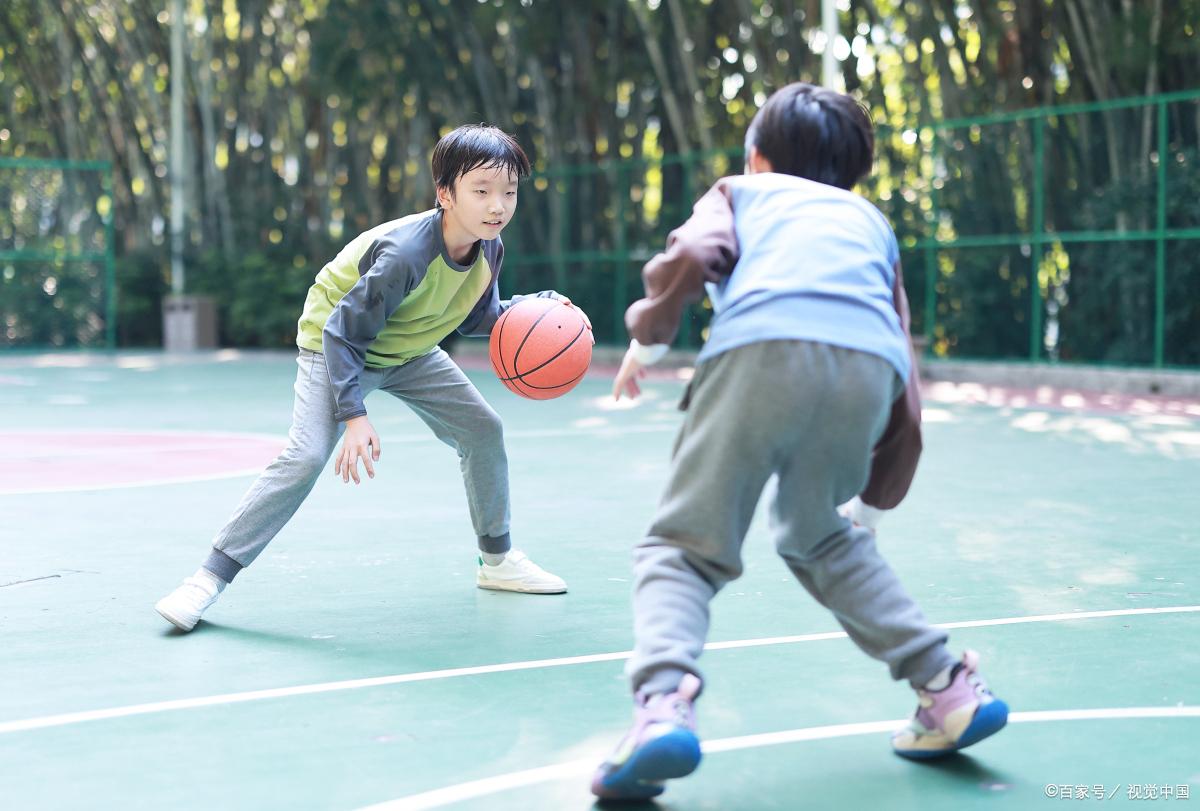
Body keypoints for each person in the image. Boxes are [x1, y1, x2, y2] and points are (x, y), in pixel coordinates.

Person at [591, 83, 1008, 801]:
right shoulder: (871, 224)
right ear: (853, 174)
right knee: (822, 537)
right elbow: (901, 364)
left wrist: (647, 339)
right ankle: (948, 685)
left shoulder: (744, 194)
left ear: (757, 159)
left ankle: (662, 705)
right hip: (866, 372)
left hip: (760, 349)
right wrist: (873, 505)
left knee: (682, 547)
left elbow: (694, 253)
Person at [156, 124, 582, 633]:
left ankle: (498, 562)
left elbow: (476, 318)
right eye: (482, 191)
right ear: (445, 194)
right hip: (333, 346)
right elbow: (343, 334)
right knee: (308, 454)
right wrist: (354, 414)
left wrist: (540, 310)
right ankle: (206, 579)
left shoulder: (489, 247)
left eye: (509, 192)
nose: (498, 206)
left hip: (407, 350)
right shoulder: (404, 254)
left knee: (483, 429)